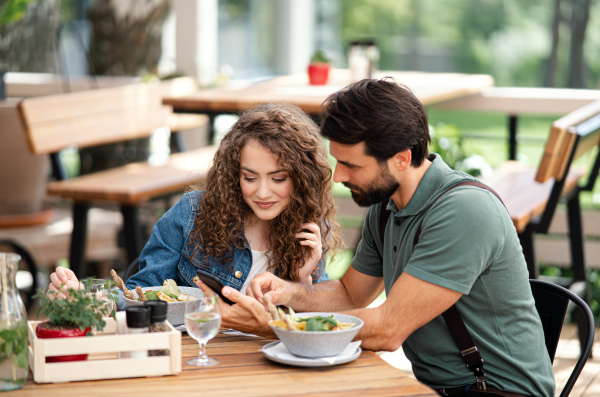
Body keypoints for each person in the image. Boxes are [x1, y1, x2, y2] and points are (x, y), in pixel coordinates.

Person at [195, 79, 555, 397]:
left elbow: (387, 329)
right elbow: (350, 294)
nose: (338, 177)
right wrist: (289, 293)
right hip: (431, 387)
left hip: (492, 391)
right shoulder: (386, 207)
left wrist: (277, 327)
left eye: (352, 165)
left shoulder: (464, 211)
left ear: (402, 159)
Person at [49, 103, 342, 304]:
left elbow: (314, 326)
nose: (263, 193)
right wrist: (83, 297)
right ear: (233, 173)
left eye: (278, 179)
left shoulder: (309, 225)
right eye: (250, 178)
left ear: (302, 178)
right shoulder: (192, 213)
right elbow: (140, 294)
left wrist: (304, 278)